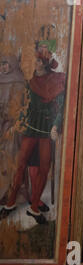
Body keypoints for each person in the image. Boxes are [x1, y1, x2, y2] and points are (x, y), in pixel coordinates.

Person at [0, 42, 65, 224]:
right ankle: (10, 203)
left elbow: (59, 108)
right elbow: (25, 107)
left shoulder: (56, 80)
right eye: (35, 61)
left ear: (44, 63)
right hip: (29, 129)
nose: (35, 64)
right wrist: (17, 123)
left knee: (44, 168)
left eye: (38, 61)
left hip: (46, 131)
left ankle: (34, 208)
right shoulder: (30, 83)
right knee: (20, 165)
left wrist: (55, 125)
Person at [0, 55, 26, 206]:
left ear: (13, 65)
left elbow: (16, 110)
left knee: (9, 153)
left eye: (5, 64)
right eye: (1, 65)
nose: (2, 68)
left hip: (13, 126)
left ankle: (9, 192)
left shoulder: (19, 82)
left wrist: (9, 122)